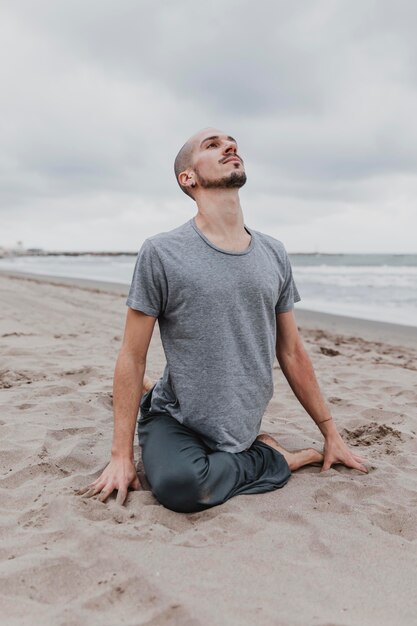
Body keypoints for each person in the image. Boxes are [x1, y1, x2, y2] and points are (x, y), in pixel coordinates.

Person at [78, 128, 368, 513]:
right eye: (211, 145)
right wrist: (121, 457)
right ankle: (279, 457)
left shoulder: (273, 253)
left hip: (239, 423)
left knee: (205, 472)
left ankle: (246, 439)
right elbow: (132, 355)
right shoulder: (161, 253)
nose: (229, 146)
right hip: (177, 418)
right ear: (188, 178)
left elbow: (292, 351)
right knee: (183, 488)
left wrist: (331, 433)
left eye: (231, 142)